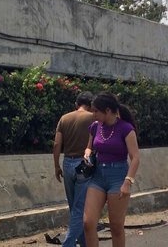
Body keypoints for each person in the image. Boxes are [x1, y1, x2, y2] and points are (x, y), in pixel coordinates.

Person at [83, 92, 140, 247]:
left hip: (118, 177)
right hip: (98, 177)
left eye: (96, 111)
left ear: (107, 111)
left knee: (116, 227)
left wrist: (128, 182)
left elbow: (135, 157)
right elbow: (89, 148)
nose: (93, 114)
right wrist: (87, 154)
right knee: (88, 223)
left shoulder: (126, 129)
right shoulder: (95, 127)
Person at [53, 91, 95, 247]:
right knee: (80, 208)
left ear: (76, 104)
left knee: (74, 208)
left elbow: (57, 144)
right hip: (84, 165)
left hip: (67, 163)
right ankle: (68, 244)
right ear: (91, 105)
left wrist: (56, 165)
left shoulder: (65, 118)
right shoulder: (93, 118)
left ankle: (84, 243)